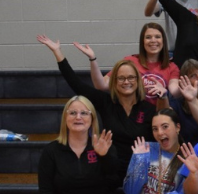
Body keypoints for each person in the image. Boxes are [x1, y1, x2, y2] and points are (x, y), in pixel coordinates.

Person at [38, 35, 156, 176]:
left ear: (138, 80)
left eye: (131, 77)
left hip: (141, 171)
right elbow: (76, 83)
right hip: (111, 170)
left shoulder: (148, 109)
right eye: (121, 78)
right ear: (114, 81)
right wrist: (58, 53)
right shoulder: (105, 102)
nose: (126, 82)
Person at [89, 23, 180, 105]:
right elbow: (101, 85)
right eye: (148, 37)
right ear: (142, 41)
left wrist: (186, 88)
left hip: (158, 117)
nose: (153, 40)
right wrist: (92, 59)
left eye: (157, 37)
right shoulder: (130, 61)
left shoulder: (171, 67)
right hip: (134, 117)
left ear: (163, 41)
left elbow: (174, 91)